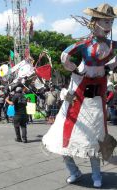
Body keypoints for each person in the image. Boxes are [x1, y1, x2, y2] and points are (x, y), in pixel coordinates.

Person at [42, 4, 117, 188]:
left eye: (111, 21)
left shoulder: (111, 44)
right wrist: (75, 70)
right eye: (105, 21)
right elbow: (65, 54)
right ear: (95, 22)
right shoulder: (85, 44)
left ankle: (96, 175)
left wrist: (109, 67)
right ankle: (74, 171)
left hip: (97, 94)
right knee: (62, 137)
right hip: (78, 91)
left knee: (95, 137)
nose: (108, 25)